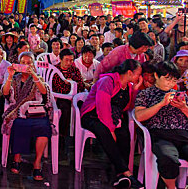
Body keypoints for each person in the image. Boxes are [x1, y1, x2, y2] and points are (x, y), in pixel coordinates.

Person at [80, 59, 144, 188]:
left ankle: (121, 176)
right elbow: (102, 106)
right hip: (92, 115)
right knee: (105, 133)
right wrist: (111, 129)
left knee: (124, 134)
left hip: (113, 116)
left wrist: (135, 89)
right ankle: (126, 173)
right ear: (130, 73)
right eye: (138, 73)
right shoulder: (107, 81)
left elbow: (126, 108)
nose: (140, 77)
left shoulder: (128, 86)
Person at [135, 61, 187, 189]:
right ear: (157, 76)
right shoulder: (145, 94)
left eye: (174, 80)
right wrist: (160, 104)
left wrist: (184, 108)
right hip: (161, 135)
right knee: (168, 159)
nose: (171, 83)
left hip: (183, 136)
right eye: (167, 79)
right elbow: (139, 116)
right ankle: (171, 187)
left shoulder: (181, 95)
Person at [2, 51, 53, 181]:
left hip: (36, 111)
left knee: (44, 127)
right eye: (23, 63)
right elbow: (6, 93)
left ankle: (37, 162)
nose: (25, 65)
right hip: (20, 112)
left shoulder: (37, 77)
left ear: (33, 64)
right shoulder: (15, 78)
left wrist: (34, 75)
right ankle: (17, 158)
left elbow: (43, 91)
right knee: (18, 124)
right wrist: (10, 76)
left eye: (28, 63)